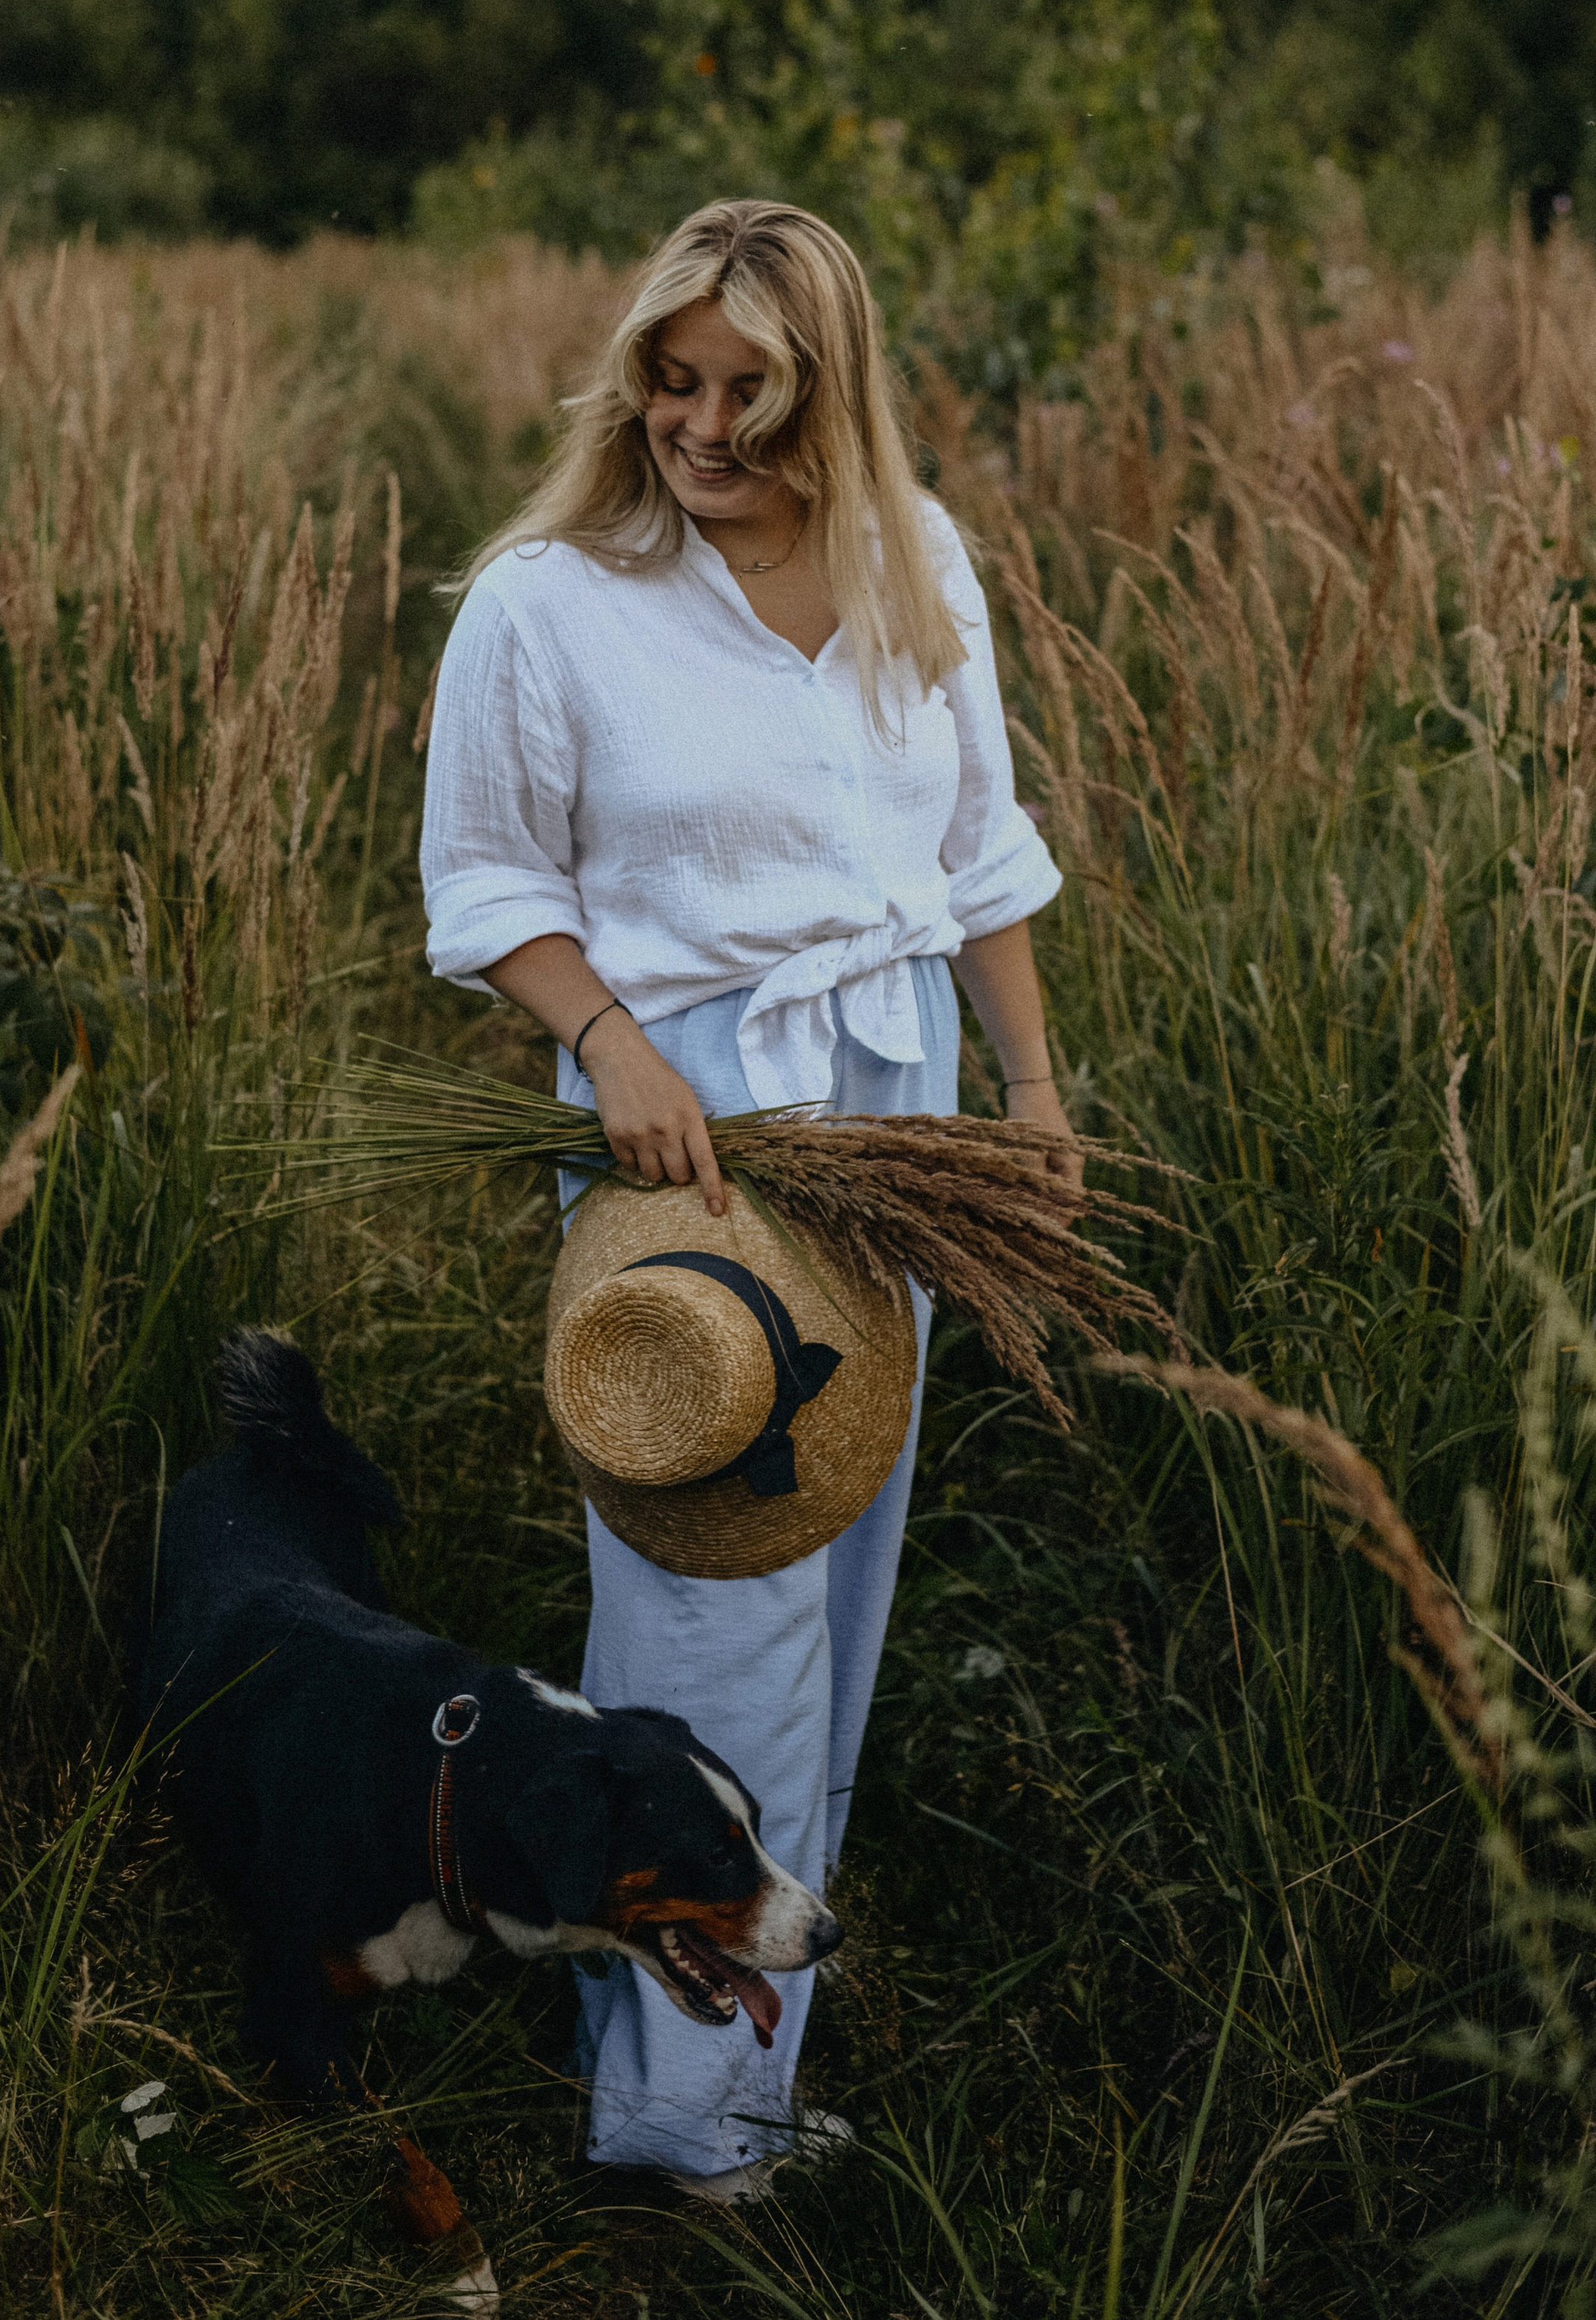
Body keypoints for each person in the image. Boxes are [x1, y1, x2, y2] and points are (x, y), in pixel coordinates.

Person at [419, 198, 1074, 2197]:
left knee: (842, 1573)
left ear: (833, 395)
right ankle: (684, 2116)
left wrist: (1032, 1087)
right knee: (716, 1615)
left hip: (900, 1120)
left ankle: (752, 2063)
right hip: (689, 1128)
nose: (699, 429)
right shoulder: (554, 597)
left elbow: (980, 854)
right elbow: (488, 872)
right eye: (672, 382)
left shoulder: (914, 559)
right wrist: (610, 1040)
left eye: (749, 395)